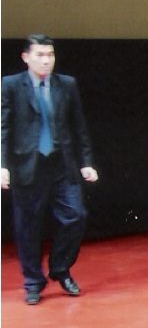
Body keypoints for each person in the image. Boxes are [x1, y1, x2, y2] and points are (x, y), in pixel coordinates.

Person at [1, 34, 99, 304]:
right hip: (27, 166)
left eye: (50, 55)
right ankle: (33, 282)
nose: (46, 61)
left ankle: (60, 268)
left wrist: (87, 161)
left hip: (61, 164)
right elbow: (3, 127)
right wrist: (2, 166)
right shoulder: (9, 86)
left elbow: (79, 126)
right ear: (26, 57)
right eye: (40, 55)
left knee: (75, 215)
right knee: (28, 227)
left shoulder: (66, 85)